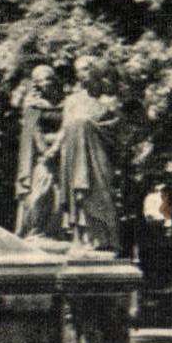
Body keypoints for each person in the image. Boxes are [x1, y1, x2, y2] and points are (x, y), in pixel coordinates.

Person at [58, 56, 121, 254]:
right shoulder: (72, 101)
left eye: (85, 69)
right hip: (75, 158)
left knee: (101, 195)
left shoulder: (109, 101)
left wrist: (86, 125)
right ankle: (84, 239)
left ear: (96, 71)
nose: (80, 74)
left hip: (99, 157)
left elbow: (116, 131)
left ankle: (105, 241)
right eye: (78, 70)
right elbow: (64, 130)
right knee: (80, 197)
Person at [14, 65, 63, 239]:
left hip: (60, 153)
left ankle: (52, 231)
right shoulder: (32, 104)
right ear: (35, 83)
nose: (46, 83)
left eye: (49, 78)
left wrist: (57, 144)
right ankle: (35, 230)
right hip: (40, 156)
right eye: (41, 80)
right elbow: (33, 130)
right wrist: (45, 151)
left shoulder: (63, 102)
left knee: (58, 195)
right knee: (41, 191)